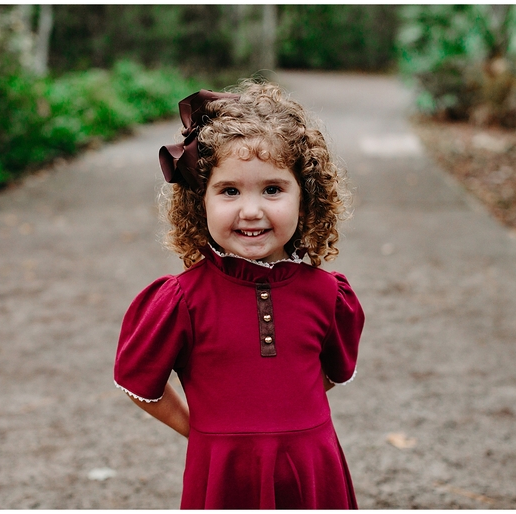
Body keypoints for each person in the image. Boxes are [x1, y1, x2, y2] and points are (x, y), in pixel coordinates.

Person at [113, 81, 365, 509]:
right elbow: (141, 384)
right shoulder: (182, 299)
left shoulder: (328, 294)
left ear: (305, 197)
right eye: (229, 191)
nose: (251, 210)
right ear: (201, 201)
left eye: (272, 189)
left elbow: (325, 374)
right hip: (223, 475)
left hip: (311, 471)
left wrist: (284, 422)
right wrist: (205, 432)